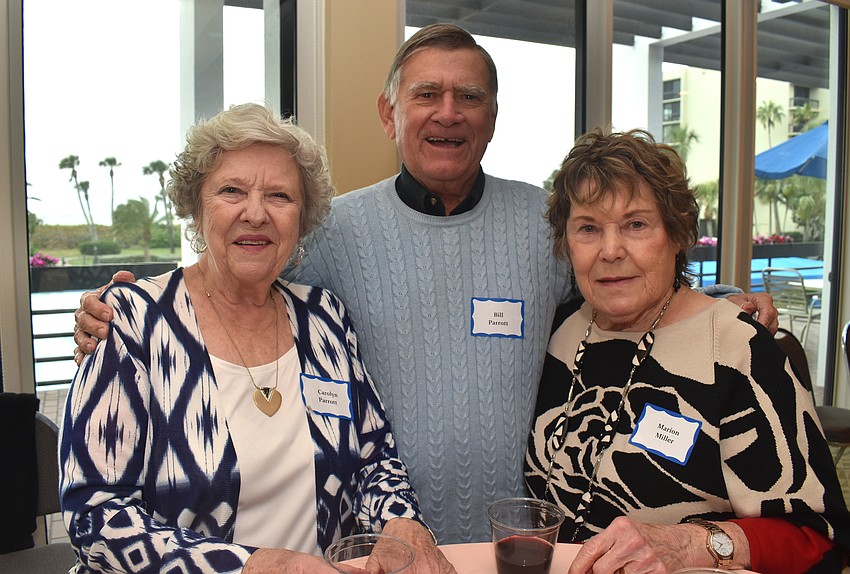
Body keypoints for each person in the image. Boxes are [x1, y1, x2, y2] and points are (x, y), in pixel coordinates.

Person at [72, 24, 777, 543]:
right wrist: (124, 311)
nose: (449, 111)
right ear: (389, 114)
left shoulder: (547, 223)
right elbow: (238, 274)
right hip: (379, 548)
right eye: (427, 94)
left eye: (470, 96)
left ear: (493, 118)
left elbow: (623, 287)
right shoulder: (328, 232)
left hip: (525, 540)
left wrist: (717, 306)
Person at [59, 102, 454, 574]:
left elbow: (374, 458)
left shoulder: (323, 318)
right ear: (196, 205)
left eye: (279, 197)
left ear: (301, 218)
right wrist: (252, 567)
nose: (255, 213)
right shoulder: (132, 320)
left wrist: (401, 523)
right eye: (231, 191)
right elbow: (95, 517)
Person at [524, 129, 850, 574]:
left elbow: (818, 537)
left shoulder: (737, 350)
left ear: (677, 235)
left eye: (636, 225)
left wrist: (694, 543)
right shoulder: (562, 330)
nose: (611, 250)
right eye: (588, 228)